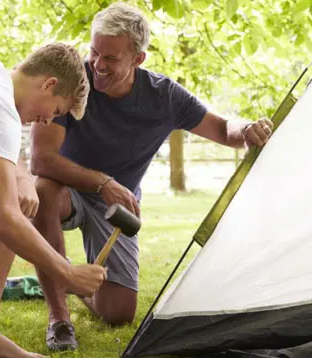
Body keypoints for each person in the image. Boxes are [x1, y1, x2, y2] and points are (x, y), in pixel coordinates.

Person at [30, 3, 273, 352]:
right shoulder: (74, 81)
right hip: (69, 191)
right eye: (94, 52)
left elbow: (223, 129)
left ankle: (64, 275)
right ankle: (59, 318)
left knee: (118, 314)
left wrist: (248, 128)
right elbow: (41, 160)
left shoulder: (165, 96)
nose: (97, 65)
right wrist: (103, 182)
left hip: (119, 207)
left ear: (138, 59)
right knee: (44, 192)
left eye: (110, 58)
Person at [0, 43, 107, 358]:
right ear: (49, 84)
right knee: (10, 210)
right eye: (56, 110)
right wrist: (67, 273)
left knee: (12, 197)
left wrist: (22, 178)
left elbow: (6, 158)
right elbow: (5, 221)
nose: (48, 121)